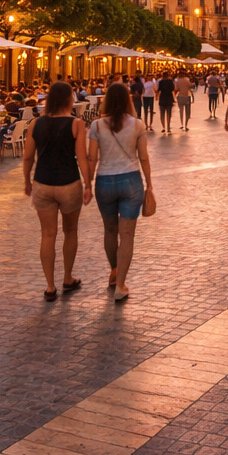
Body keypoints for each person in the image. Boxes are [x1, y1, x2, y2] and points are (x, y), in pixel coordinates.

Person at [23, 81, 91, 302]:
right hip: (68, 183)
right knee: (70, 232)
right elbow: (82, 158)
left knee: (47, 235)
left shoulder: (35, 124)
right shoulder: (76, 124)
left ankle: (50, 286)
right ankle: (68, 277)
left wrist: (27, 180)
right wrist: (88, 184)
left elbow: (27, 156)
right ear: (69, 99)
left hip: (42, 183)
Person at [86, 82, 152, 304]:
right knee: (127, 235)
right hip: (131, 180)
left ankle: (114, 271)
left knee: (109, 230)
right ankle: (121, 284)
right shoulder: (137, 125)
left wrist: (88, 183)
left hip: (104, 180)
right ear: (127, 100)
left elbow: (92, 158)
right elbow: (143, 157)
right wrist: (149, 183)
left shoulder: (96, 126)